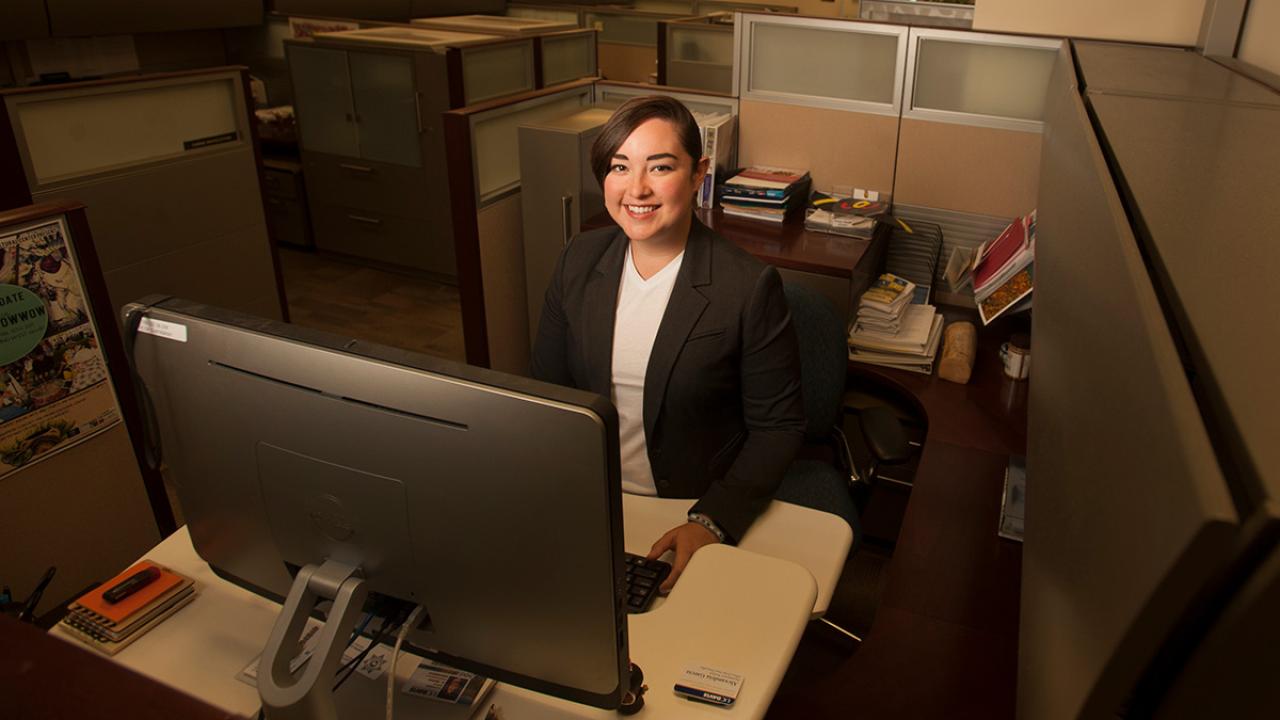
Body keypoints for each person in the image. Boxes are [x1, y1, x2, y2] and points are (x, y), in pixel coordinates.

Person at [531, 96, 805, 591]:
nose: (636, 189)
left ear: (699, 173)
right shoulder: (578, 260)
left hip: (688, 509)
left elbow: (779, 427)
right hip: (590, 499)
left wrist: (710, 521)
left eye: (660, 167)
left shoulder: (746, 287)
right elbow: (549, 392)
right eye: (619, 167)